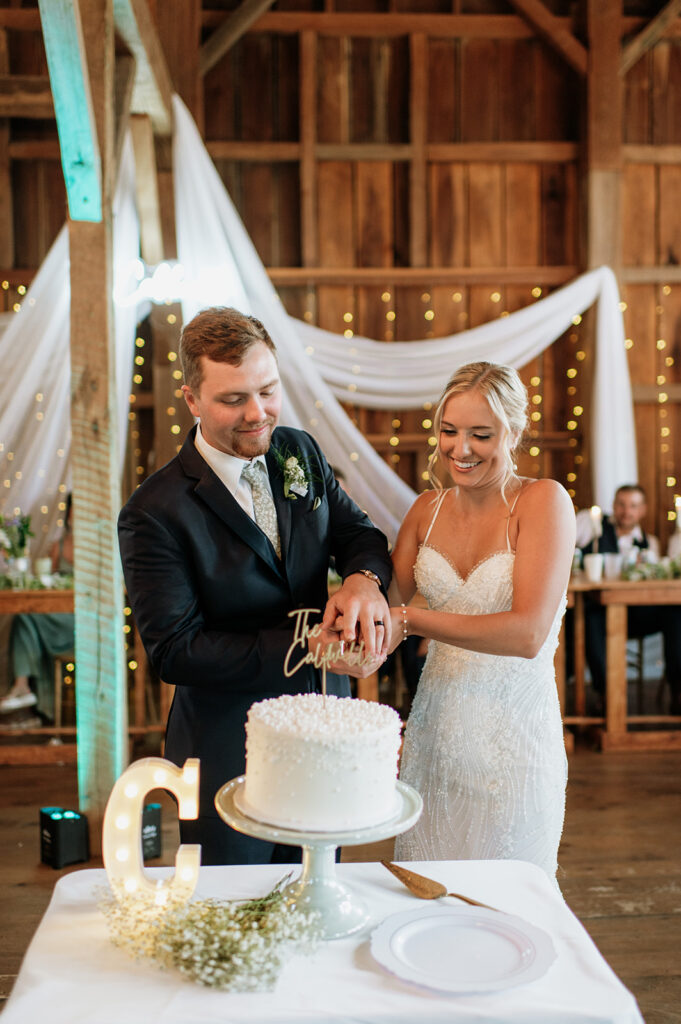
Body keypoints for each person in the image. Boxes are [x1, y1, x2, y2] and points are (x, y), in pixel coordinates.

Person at [118, 306, 392, 865]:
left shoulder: (300, 452)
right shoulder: (154, 511)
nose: (257, 414)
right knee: (233, 905)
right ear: (192, 401)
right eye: (233, 399)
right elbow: (175, 651)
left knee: (315, 893)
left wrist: (363, 582)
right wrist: (307, 645)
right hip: (226, 747)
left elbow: (360, 534)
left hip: (324, 727)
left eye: (268, 392)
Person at [387, 361, 575, 884]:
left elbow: (527, 633)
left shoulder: (543, 502)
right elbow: (385, 612)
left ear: (514, 433)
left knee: (510, 901)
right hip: (436, 739)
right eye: (449, 431)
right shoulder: (426, 510)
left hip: (517, 742)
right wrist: (353, 636)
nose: (460, 449)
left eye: (480, 434)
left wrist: (413, 618)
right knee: (427, 895)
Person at [577, 484, 681, 714]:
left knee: (675, 612)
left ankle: (678, 689)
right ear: (614, 506)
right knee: (590, 616)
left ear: (642, 510)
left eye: (633, 506)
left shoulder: (650, 543)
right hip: (602, 611)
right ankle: (605, 693)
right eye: (621, 505)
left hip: (638, 615)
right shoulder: (592, 529)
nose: (626, 511)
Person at [0, 494, 74, 726]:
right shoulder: (58, 546)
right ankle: (22, 688)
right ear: (68, 514)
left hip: (78, 621)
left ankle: (23, 688)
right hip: (55, 613)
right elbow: (47, 579)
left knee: (26, 616)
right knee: (23, 616)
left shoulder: (99, 547)